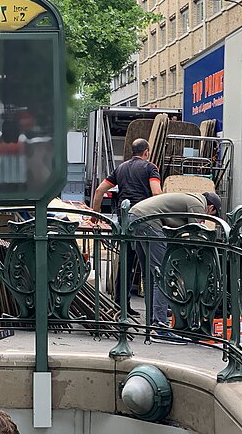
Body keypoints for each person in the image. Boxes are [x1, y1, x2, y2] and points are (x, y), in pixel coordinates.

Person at [128, 191, 222, 344]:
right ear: (211, 208)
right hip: (148, 220)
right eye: (211, 214)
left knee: (151, 274)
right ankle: (160, 327)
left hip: (136, 216)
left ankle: (153, 323)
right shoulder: (198, 204)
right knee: (163, 275)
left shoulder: (191, 198)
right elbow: (195, 234)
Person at [91, 138, 162, 317]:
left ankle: (121, 305)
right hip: (144, 219)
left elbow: (99, 190)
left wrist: (95, 215)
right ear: (146, 152)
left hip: (125, 220)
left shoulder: (120, 168)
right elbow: (156, 192)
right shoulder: (150, 168)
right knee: (150, 265)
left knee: (125, 262)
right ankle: (153, 312)